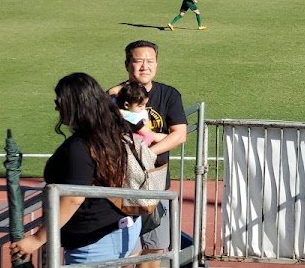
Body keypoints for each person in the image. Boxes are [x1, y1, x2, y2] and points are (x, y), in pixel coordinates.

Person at [10, 73, 141, 265]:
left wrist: (36, 239)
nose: (56, 106)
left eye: (59, 101)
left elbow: (73, 198)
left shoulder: (80, 147)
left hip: (95, 243)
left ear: (75, 105)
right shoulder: (112, 132)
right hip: (121, 230)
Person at [109, 41, 187, 268]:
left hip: (156, 186)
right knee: (126, 253)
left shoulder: (168, 94)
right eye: (138, 61)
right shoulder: (113, 97)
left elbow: (180, 135)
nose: (145, 66)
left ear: (157, 64)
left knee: (155, 250)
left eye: (150, 61)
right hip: (122, 189)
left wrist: (145, 154)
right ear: (127, 64)